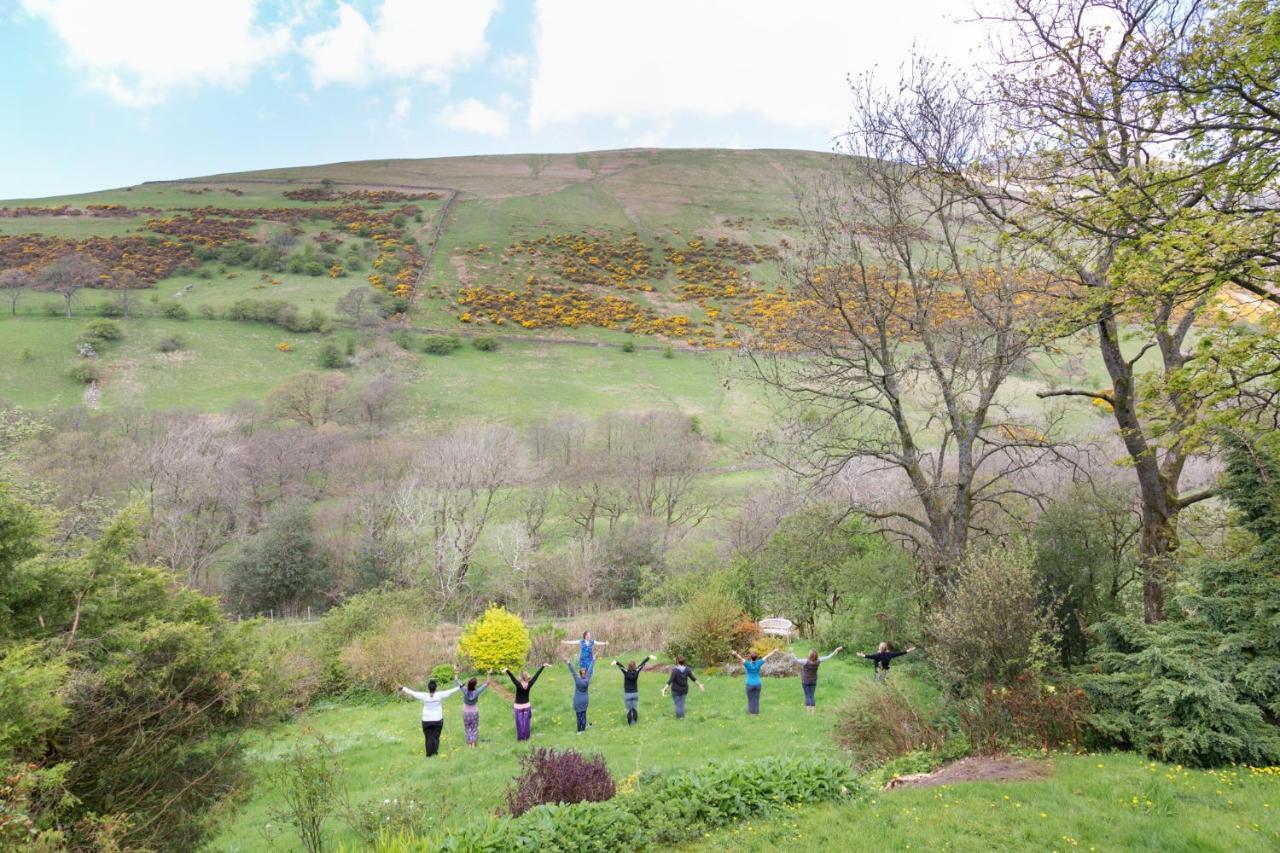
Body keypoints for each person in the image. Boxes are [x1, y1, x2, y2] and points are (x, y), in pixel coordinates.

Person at [398, 679, 460, 757]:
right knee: (436, 737)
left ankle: (429, 754)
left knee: (428, 737)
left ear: (428, 688)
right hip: (438, 720)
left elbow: (413, 693)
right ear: (436, 688)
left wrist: (403, 688)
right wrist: (459, 687)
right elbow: (450, 691)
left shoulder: (424, 696)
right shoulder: (440, 695)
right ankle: (434, 752)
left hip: (426, 721)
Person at [791, 647, 843, 713]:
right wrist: (836, 650)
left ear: (810, 655)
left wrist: (792, 653)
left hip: (805, 681)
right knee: (812, 695)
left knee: (807, 695)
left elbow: (796, 660)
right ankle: (812, 713)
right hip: (813, 681)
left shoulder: (805, 661)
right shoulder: (819, 660)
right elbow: (829, 657)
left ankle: (808, 713)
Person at [503, 664, 547, 741]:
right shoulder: (529, 684)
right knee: (526, 723)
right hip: (527, 706)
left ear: (521, 678)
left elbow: (512, 677)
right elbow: (536, 676)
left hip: (518, 707)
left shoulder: (518, 684)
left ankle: (520, 739)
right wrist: (543, 666)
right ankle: (526, 738)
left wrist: (507, 670)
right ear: (527, 678)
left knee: (519, 724)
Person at [732, 648, 779, 715]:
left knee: (750, 699)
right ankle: (756, 712)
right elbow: (767, 656)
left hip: (749, 684)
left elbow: (740, 658)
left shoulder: (747, 664)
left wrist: (735, 653)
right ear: (756, 658)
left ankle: (751, 713)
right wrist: (774, 651)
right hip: (757, 684)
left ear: (750, 658)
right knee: (756, 698)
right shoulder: (759, 663)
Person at [612, 655, 653, 725]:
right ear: (634, 666)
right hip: (635, 694)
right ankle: (634, 723)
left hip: (627, 694)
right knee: (635, 709)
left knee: (628, 710)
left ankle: (630, 724)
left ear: (628, 666)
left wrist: (616, 662)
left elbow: (621, 666)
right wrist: (649, 657)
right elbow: (641, 664)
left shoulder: (626, 672)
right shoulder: (637, 671)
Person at [455, 676, 490, 747]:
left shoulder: (464, 690)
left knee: (467, 727)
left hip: (466, 713)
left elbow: (457, 682)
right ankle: (473, 743)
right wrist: (489, 674)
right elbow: (487, 683)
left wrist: (456, 673)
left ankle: (469, 743)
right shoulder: (477, 692)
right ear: (475, 685)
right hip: (474, 712)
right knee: (474, 728)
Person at [565, 660, 593, 733]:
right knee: (583, 715)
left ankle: (579, 731)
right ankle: (583, 730)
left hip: (578, 701)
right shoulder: (587, 679)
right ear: (585, 674)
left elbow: (573, 672)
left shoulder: (577, 680)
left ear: (579, 674)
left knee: (578, 716)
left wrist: (568, 663)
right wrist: (593, 660)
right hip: (585, 700)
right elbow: (590, 670)